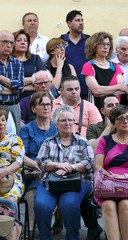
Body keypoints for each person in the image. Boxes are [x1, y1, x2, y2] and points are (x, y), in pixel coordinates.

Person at [34, 105, 94, 240]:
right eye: (63, 120)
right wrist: (58, 165)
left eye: (70, 120)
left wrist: (71, 167)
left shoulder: (82, 142)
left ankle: (73, 237)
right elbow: (41, 162)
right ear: (56, 123)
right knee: (41, 205)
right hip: (51, 181)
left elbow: (90, 163)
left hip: (77, 181)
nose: (67, 123)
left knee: (69, 204)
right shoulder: (48, 142)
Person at [94, 105, 128, 240]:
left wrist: (124, 176)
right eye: (121, 118)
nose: (125, 121)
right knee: (108, 205)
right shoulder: (104, 141)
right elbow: (98, 167)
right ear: (113, 123)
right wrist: (111, 177)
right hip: (108, 185)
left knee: (125, 204)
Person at [19, 91, 58, 232]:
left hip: (56, 169)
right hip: (34, 170)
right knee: (33, 192)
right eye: (42, 104)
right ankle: (31, 227)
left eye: (48, 104)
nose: (46, 107)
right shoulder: (26, 129)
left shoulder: (57, 127)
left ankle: (58, 221)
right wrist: (38, 165)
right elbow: (20, 154)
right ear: (33, 109)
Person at [81, 31, 127, 110]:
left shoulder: (115, 66)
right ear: (94, 46)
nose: (105, 47)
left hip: (115, 109)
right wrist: (116, 87)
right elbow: (96, 90)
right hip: (96, 108)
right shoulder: (89, 66)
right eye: (102, 44)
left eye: (108, 44)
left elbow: (122, 89)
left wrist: (104, 91)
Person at [0, 106, 25, 239]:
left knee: (9, 203)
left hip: (12, 180)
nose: (1, 123)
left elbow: (17, 163)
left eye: (3, 120)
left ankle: (11, 227)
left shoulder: (14, 139)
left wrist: (3, 172)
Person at [60, 10, 90, 99]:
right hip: (69, 88)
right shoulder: (61, 41)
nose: (81, 23)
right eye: (77, 20)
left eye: (82, 20)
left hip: (88, 86)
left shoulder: (90, 40)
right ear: (69, 23)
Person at [0, 30, 24, 133]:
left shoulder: (17, 63)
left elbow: (20, 87)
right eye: (5, 42)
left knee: (15, 137)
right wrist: (13, 88)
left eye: (11, 42)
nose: (9, 45)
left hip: (14, 105)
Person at [12, 29, 46, 99]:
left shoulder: (35, 58)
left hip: (33, 98)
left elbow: (42, 79)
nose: (23, 42)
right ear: (13, 43)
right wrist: (33, 79)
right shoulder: (8, 60)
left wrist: (21, 88)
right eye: (19, 40)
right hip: (12, 98)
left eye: (25, 40)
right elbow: (8, 83)